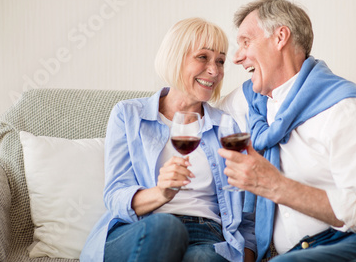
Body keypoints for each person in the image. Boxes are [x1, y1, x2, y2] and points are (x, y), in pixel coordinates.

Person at [217, 0, 356, 262]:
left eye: (246, 42)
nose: (236, 57)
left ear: (280, 37)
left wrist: (276, 186)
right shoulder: (252, 102)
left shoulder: (342, 108)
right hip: (304, 252)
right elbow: (196, 107)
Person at [80, 17, 256, 262]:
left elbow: (246, 212)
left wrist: (247, 253)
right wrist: (161, 193)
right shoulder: (129, 114)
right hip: (145, 228)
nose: (214, 71)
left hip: (206, 233)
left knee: (206, 259)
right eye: (203, 57)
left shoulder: (226, 126)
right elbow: (115, 195)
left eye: (220, 61)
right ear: (175, 57)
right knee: (166, 228)